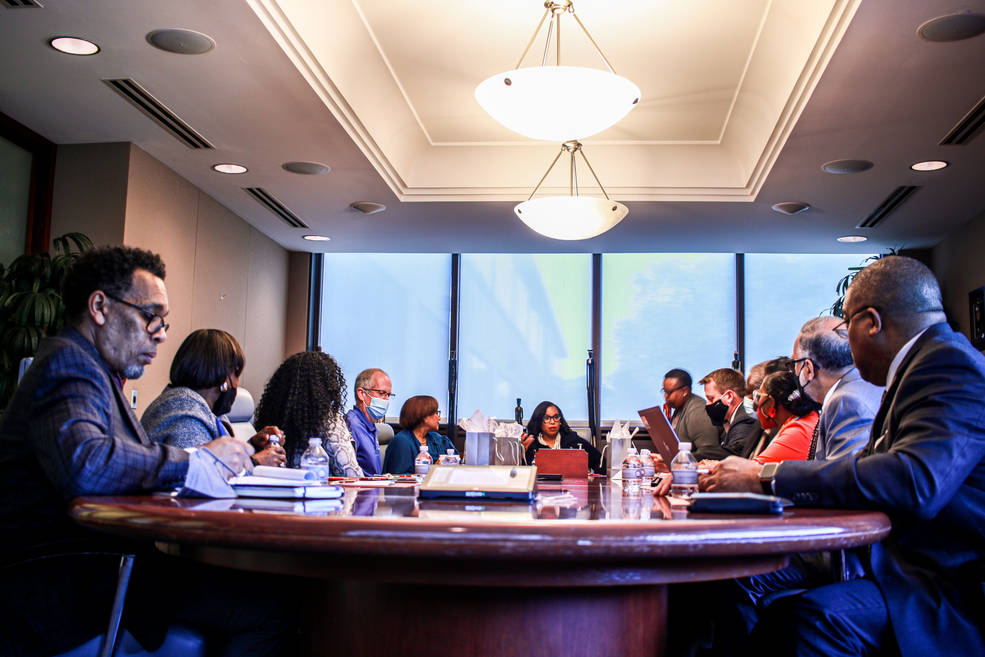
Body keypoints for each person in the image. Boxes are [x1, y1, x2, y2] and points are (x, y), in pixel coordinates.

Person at [0, 246, 287, 657]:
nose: (161, 333)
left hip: (100, 568)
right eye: (150, 316)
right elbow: (88, 462)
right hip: (68, 586)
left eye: (164, 322)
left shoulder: (93, 371)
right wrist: (195, 461)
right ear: (99, 306)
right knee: (269, 607)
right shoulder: (69, 364)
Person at [700, 256, 985, 657]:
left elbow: (914, 482)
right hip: (910, 568)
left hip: (945, 587)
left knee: (813, 621)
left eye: (847, 324)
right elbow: (868, 464)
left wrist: (766, 476)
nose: (845, 344)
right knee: (777, 619)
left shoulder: (949, 365)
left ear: (870, 322)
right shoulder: (923, 367)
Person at [141, 328, 286, 466]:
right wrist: (255, 462)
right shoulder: (186, 414)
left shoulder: (206, 411)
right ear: (224, 378)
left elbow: (216, 460)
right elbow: (196, 476)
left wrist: (253, 446)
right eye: (236, 374)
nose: (237, 383)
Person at [254, 351, 363, 477]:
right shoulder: (327, 420)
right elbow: (352, 475)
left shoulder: (271, 417)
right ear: (327, 386)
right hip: (319, 493)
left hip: (277, 493)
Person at [792, 316, 883, 460]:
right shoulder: (869, 385)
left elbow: (841, 478)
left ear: (808, 369)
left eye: (795, 362)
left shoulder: (846, 402)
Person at [748, 371, 818, 464]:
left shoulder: (797, 431)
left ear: (771, 402)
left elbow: (749, 470)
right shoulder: (809, 417)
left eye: (760, 396)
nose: (757, 403)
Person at [661, 368, 728, 461]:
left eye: (669, 392)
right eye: (664, 391)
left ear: (685, 391)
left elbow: (708, 452)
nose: (665, 397)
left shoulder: (697, 411)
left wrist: (679, 461)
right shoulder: (679, 408)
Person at [382, 395, 457, 474]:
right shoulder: (402, 442)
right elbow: (398, 477)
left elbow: (456, 462)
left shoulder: (438, 439)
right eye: (436, 413)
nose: (439, 418)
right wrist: (433, 471)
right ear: (424, 416)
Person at [523, 401, 603, 473]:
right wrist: (522, 453)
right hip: (541, 488)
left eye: (556, 417)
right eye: (546, 418)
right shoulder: (531, 444)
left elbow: (601, 463)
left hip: (570, 487)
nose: (552, 422)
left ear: (560, 421)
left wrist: (592, 477)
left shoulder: (574, 441)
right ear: (539, 421)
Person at [698, 368, 761, 458]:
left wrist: (695, 457)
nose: (707, 404)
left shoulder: (745, 420)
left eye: (711, 399)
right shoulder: (728, 421)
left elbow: (735, 454)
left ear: (729, 396)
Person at [344, 367, 393, 476]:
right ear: (362, 394)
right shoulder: (352, 425)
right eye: (381, 393)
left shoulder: (369, 425)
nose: (386, 400)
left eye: (388, 395)